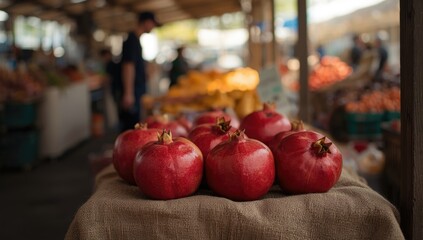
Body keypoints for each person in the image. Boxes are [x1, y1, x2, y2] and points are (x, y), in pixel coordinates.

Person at [116, 11, 161, 132]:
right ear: (146, 22)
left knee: (135, 125)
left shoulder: (136, 40)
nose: (153, 27)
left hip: (137, 90)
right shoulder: (131, 40)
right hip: (133, 91)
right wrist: (128, 93)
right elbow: (128, 66)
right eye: (152, 24)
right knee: (131, 127)